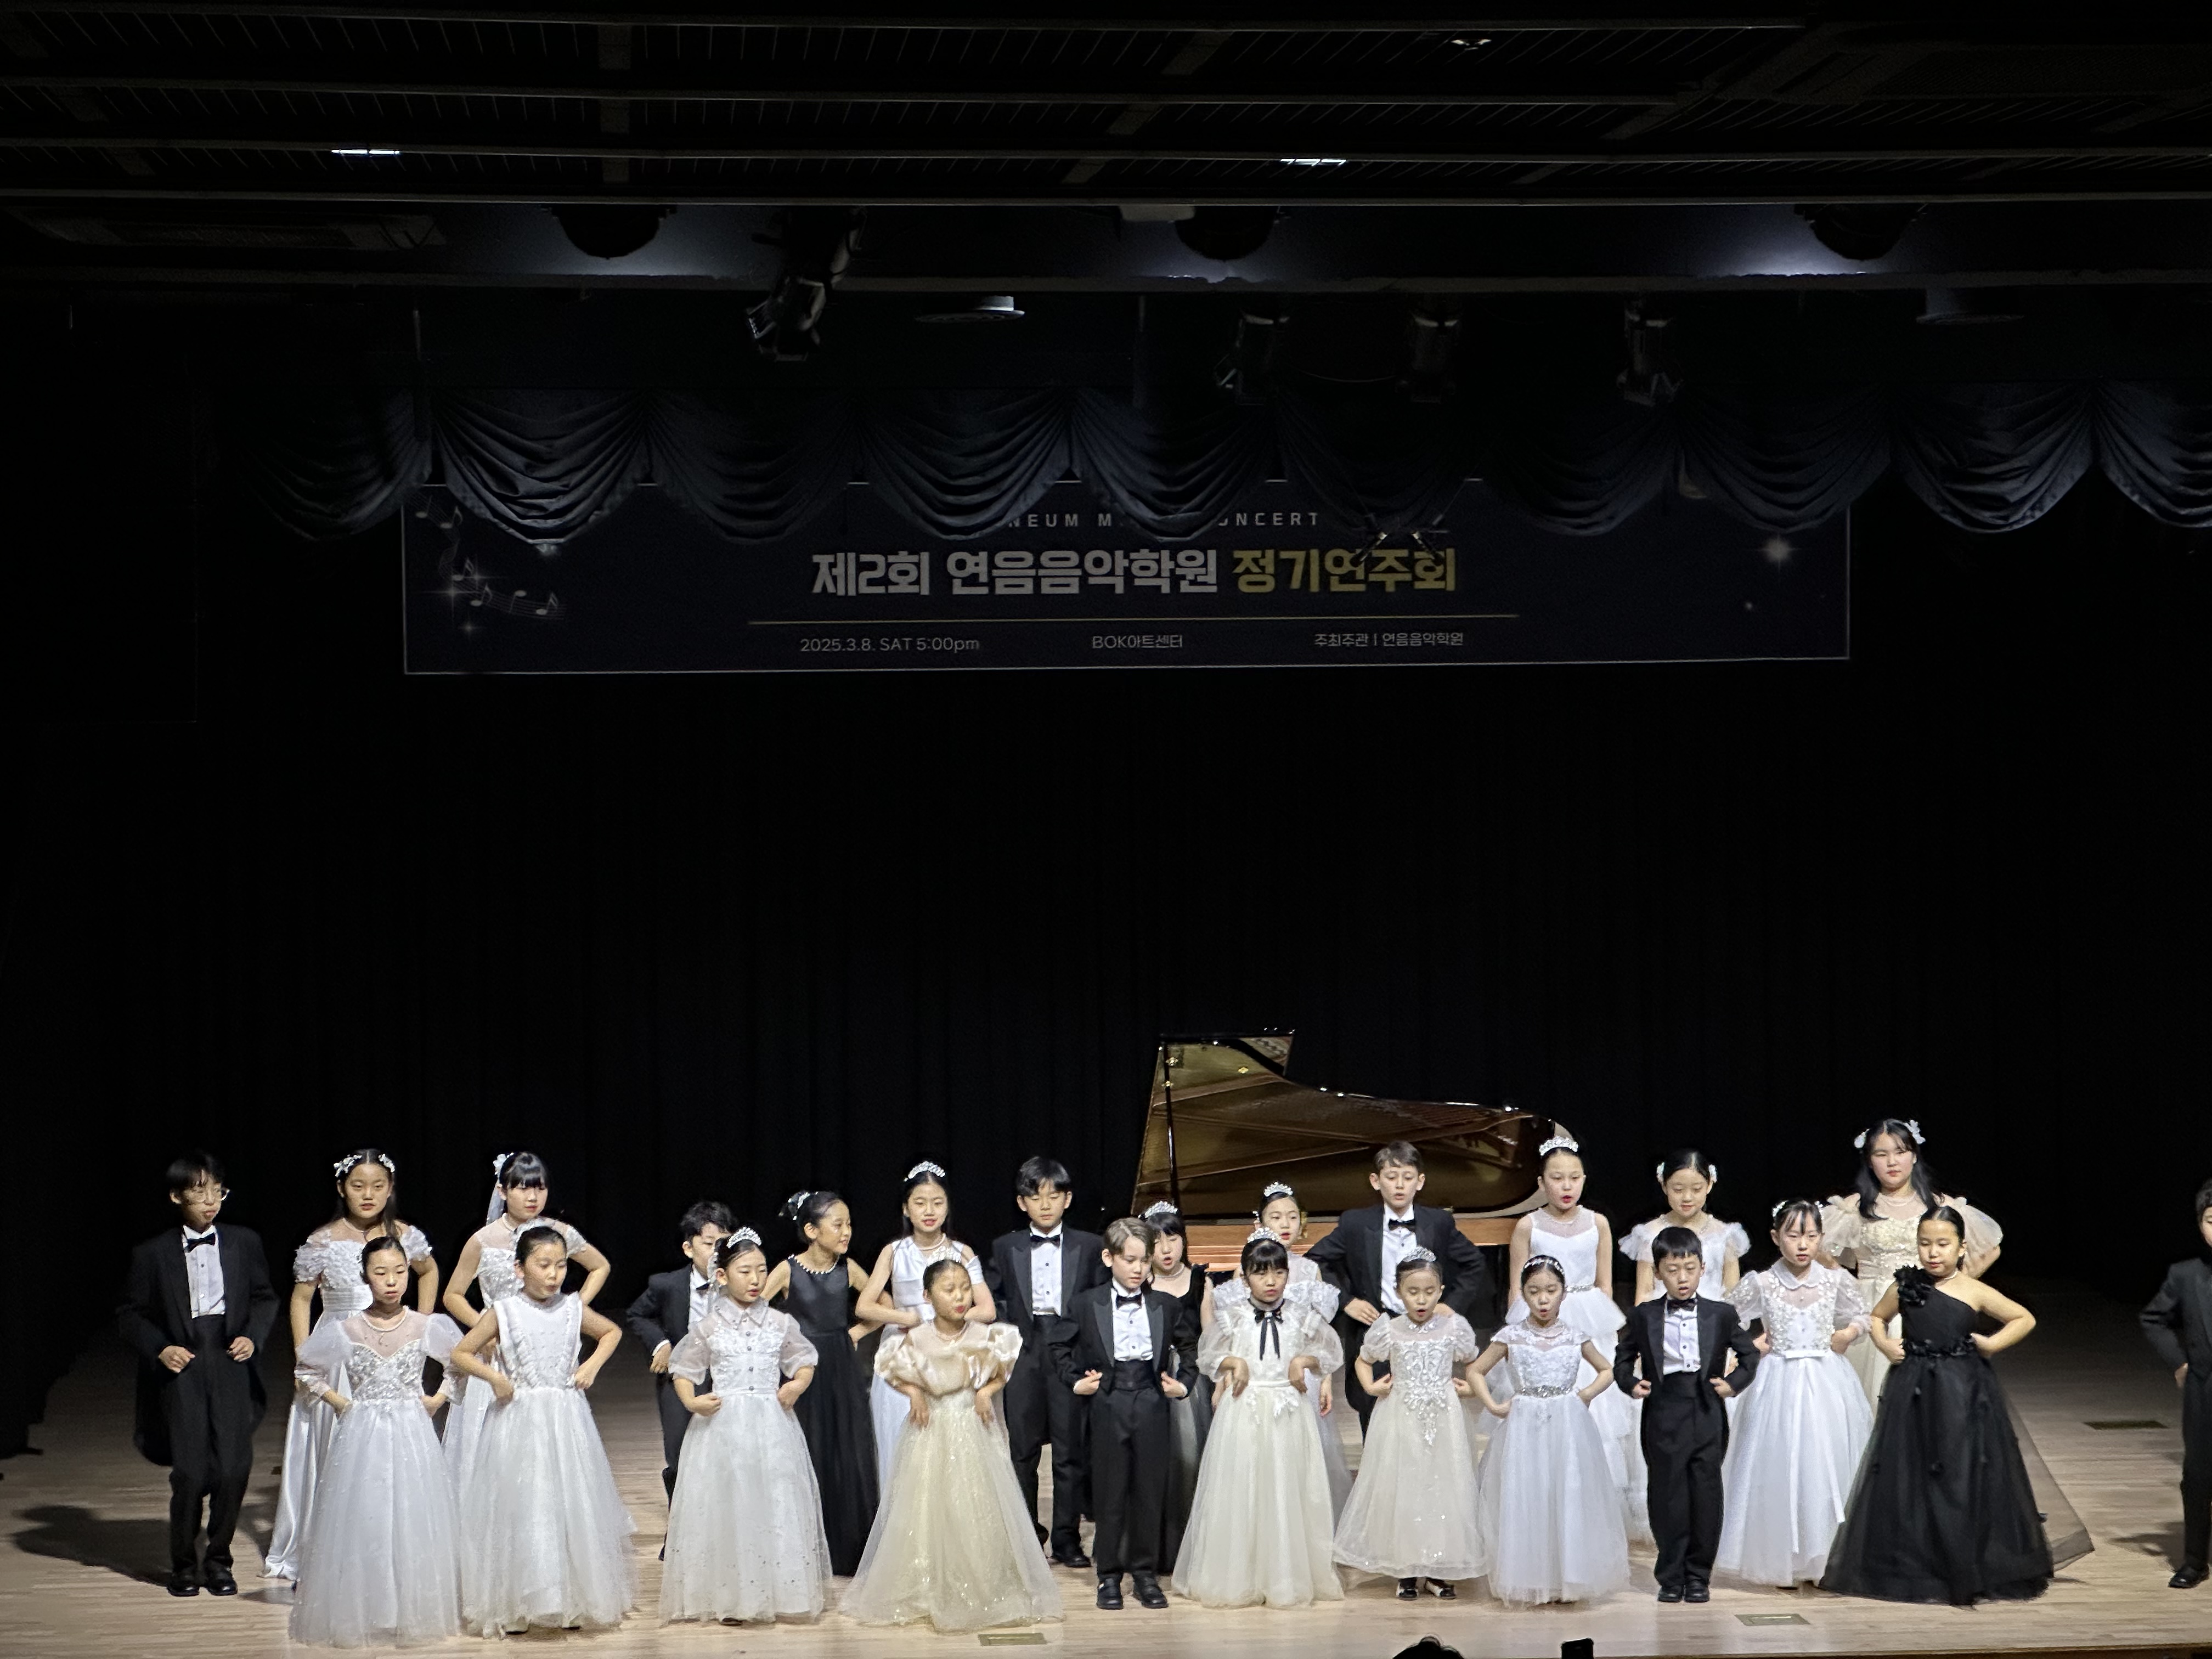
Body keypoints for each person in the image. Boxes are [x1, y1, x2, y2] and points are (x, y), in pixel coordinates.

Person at [1818, 1206, 2051, 1605]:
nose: (1933, 1252)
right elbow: (1876, 1317)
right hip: (1913, 1388)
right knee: (1912, 1468)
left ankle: (1966, 1558)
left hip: (1963, 1389)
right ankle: (1915, 1558)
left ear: (1961, 1248)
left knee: (1960, 1468)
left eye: (1943, 1244)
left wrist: (1991, 1344)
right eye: (1925, 1243)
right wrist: (1884, 1344)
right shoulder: (1906, 1285)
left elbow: (2023, 1318)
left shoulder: (1973, 1290)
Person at [843, 1258, 1064, 1632]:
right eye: (949, 1290)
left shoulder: (986, 1335)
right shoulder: (916, 1338)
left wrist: (986, 1392)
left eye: (964, 1288)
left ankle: (983, 1580)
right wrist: (914, 1392)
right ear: (928, 1296)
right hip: (931, 1429)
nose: (960, 1297)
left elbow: (1000, 1372)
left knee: (976, 1501)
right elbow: (892, 1369)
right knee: (927, 1503)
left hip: (972, 1427)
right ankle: (927, 1583)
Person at [447, 1223, 635, 1635]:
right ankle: (515, 1604)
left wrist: (590, 1366)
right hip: (518, 1419)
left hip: (565, 1418)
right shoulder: (504, 1311)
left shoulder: (572, 1308)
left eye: (561, 1266)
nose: (554, 1275)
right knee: (522, 1505)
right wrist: (494, 1378)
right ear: (520, 1269)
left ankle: (570, 1601)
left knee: (567, 1503)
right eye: (544, 1265)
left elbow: (611, 1332)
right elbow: (461, 1353)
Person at [267, 1147, 438, 1583]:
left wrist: (420, 1327)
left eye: (378, 1186)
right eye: (358, 1186)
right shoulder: (324, 1240)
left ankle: (389, 1549)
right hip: (341, 1349)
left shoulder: (406, 1235)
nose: (368, 1195)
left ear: (391, 1189)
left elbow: (429, 1271)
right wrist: (305, 1355)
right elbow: (301, 1298)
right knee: (337, 1448)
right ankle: (332, 1552)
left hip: (389, 1348)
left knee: (390, 1454)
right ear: (342, 1188)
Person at [289, 1234, 464, 1647]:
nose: (392, 1281)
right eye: (381, 1273)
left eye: (400, 1272)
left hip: (411, 1433)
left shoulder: (426, 1325)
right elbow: (307, 1370)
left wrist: (438, 1398)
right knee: (366, 1516)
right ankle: (370, 1606)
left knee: (412, 1515)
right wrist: (342, 1404)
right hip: (363, 1435)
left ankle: (411, 1606)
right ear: (365, 1277)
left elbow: (460, 1363)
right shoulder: (347, 1329)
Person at [117, 1152, 279, 1599]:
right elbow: (129, 1314)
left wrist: (253, 1337)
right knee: (189, 1473)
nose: (211, 1201)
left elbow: (265, 1297)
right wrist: (160, 1348)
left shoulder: (244, 1242)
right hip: (184, 1363)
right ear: (176, 1197)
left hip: (229, 1360)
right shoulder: (152, 1254)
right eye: (199, 1192)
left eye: (218, 1192)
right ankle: (184, 1565)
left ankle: (219, 1562)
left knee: (232, 1468)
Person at [661, 1227, 832, 1627]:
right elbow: (683, 1369)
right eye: (745, 1271)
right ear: (722, 1276)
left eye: (761, 1270)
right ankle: (731, 1595)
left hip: (771, 1424)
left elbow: (804, 1359)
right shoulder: (710, 1326)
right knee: (730, 1504)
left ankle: (779, 1590)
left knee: (775, 1499)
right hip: (724, 1426)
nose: (755, 1280)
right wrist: (691, 1401)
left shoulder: (779, 1322)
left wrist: (797, 1384)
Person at [1173, 1231, 1345, 1610]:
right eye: (1261, 1273)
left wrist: (1304, 1361)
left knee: (1287, 1489)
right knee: (1245, 1488)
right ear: (1246, 1276)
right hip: (1246, 1409)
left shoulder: (1301, 1315)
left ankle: (1285, 1575)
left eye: (1279, 1273)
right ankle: (1241, 1574)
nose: (1271, 1281)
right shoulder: (1233, 1317)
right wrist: (1232, 1362)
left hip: (1288, 1410)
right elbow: (1207, 1355)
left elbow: (1331, 1351)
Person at [1715, 1198, 1873, 1587]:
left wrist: (1848, 1333)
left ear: (1821, 1238)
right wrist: (1752, 1347)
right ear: (1776, 1237)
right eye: (1793, 1236)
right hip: (1778, 1382)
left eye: (1811, 1236)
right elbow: (1725, 1319)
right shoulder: (1763, 1282)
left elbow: (1862, 1314)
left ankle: (1826, 1557)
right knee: (1780, 1464)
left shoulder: (1834, 1280)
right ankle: (1783, 1557)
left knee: (1824, 1461)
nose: (1803, 1245)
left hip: (1826, 1382)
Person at [1503, 1131, 1645, 1540]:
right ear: (1541, 1182)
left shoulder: (1597, 1223)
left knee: (1597, 1414)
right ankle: (1543, 1509)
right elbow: (1517, 1288)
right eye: (1557, 1178)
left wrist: (1606, 1334)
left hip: (1588, 1319)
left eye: (1574, 1178)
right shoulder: (1528, 1226)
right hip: (1542, 1317)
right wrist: (1517, 1339)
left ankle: (1594, 1514)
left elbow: (1605, 1283)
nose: (1567, 1186)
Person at [1465, 1255, 1629, 1607]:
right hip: (1524, 1424)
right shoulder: (1511, 1336)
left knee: (1565, 1492)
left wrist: (1584, 1395)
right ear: (1523, 1294)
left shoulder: (1574, 1335)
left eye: (1551, 1291)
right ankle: (1530, 1578)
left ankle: (1566, 1577)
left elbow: (1607, 1370)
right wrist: (1493, 1406)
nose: (1543, 1299)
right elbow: (1475, 1371)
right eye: (1534, 1291)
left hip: (1567, 1425)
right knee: (1527, 1494)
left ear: (1563, 1293)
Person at [441, 1150, 612, 1485]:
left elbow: (600, 1266)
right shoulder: (483, 1240)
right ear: (502, 1191)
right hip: (499, 1350)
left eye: (540, 1188)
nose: (533, 1197)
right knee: (494, 1445)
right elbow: (453, 1295)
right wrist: (485, 1329)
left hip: (544, 1347)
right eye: (522, 1188)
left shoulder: (557, 1232)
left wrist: (573, 1310)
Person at [1050, 1216, 1194, 1609]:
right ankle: (1109, 1576)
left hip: (1150, 1399)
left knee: (1149, 1490)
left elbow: (1191, 1347)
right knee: (1110, 1491)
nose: (1138, 1269)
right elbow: (1058, 1346)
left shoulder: (1165, 1304)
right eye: (1130, 1260)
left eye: (1144, 1261)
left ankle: (1145, 1574)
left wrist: (1184, 1384)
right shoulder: (1087, 1303)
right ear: (1108, 1258)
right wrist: (1075, 1381)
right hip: (1108, 1401)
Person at [1613, 1224, 1761, 1604]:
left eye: (1690, 1269)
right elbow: (1623, 1357)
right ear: (1658, 1272)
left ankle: (1699, 1576)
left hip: (1706, 1408)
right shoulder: (1645, 1315)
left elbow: (1749, 1353)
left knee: (1705, 1493)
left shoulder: (1720, 1314)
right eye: (1673, 1270)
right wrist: (1631, 1383)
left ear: (1703, 1269)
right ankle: (1670, 1575)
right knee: (1667, 1494)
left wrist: (1733, 1383)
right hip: (1663, 1410)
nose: (1682, 1278)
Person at [1306, 1141, 1493, 1433]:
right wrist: (1347, 1301)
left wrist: (1450, 1305)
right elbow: (1314, 1262)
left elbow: (1475, 1263)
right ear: (1375, 1181)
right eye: (1391, 1177)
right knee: (1374, 1412)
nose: (1400, 1185)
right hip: (1378, 1328)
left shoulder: (1438, 1221)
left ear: (1420, 1181)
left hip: (1426, 1332)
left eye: (1408, 1177)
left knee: (1427, 1415)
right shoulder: (1356, 1223)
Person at [1333, 1248, 1484, 1600]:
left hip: (1443, 1418)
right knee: (1406, 1487)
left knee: (1443, 1486)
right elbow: (1363, 1360)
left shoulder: (1453, 1328)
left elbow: (1475, 1362)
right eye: (1413, 1292)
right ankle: (1407, 1568)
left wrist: (1470, 1388)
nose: (1421, 1299)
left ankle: (1438, 1567)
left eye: (1429, 1292)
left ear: (1441, 1290)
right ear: (1399, 1291)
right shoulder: (1389, 1329)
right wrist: (1371, 1387)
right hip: (1401, 1417)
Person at [1819, 1120, 2002, 1403]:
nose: (1892, 1162)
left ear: (1914, 1156)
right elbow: (1816, 1249)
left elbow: (1989, 1249)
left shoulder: (1937, 1205)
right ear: (1869, 1161)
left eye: (1900, 1152)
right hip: (1870, 1309)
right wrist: (1847, 1283)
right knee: (1865, 1396)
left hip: (1924, 1308)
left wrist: (1953, 1286)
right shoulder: (1854, 1208)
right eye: (1881, 1154)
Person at [986, 1155, 1105, 1566]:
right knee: (1023, 1449)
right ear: (1022, 1203)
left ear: (1068, 1199)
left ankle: (1067, 1540)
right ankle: (1027, 1539)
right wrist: (1011, 1331)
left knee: (1070, 1450)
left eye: (1054, 1196)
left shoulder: (1090, 1246)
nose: (1046, 1204)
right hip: (1026, 1349)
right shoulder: (1006, 1246)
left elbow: (1099, 1298)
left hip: (1071, 1349)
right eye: (1036, 1197)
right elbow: (993, 1296)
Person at [855, 1159, 996, 1493]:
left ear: (947, 1207)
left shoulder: (962, 1252)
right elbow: (865, 1305)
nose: (929, 1211)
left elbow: (987, 1309)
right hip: (903, 1352)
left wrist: (944, 1321)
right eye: (920, 1203)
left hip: (950, 1352)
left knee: (949, 1446)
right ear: (907, 1208)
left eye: (937, 1203)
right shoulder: (893, 1252)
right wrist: (905, 1318)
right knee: (900, 1439)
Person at [1220, 1178, 1353, 1515]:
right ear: (1260, 1223)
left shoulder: (1310, 1271)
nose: (1285, 1224)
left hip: (1300, 1376)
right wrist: (1226, 1378)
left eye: (1293, 1217)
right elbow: (1233, 1334)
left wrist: (1325, 1380)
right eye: (1276, 1217)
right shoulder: (1244, 1272)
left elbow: (1320, 1334)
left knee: (1302, 1454)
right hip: (1257, 1376)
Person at [764, 1188, 879, 1576]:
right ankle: (805, 1545)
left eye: (849, 1225)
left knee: (846, 1448)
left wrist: (855, 1333)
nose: (846, 1232)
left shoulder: (849, 1268)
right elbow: (756, 1312)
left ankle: (848, 1546)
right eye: (838, 1225)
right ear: (812, 1231)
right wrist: (783, 1344)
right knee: (809, 1445)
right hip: (802, 1368)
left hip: (841, 1366)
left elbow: (881, 1306)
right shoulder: (787, 1270)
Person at [623, 1198, 733, 1504]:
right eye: (709, 1244)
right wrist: (661, 1344)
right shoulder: (667, 1284)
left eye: (724, 1244)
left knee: (727, 1449)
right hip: (682, 1376)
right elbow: (637, 1314)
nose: (717, 1252)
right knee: (679, 1448)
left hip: (728, 1375)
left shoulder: (740, 1282)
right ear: (688, 1248)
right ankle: (680, 1519)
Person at [2141, 1176, 2212, 1589]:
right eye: (2211, 1220)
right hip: (2205, 1390)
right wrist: (2180, 1362)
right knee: (2198, 1476)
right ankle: (2194, 1560)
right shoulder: (2187, 1274)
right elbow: (2153, 1318)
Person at [1141, 1200, 1214, 1572]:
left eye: (1173, 1239)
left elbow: (1210, 1336)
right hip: (1149, 1375)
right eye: (1156, 1242)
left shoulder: (1201, 1281)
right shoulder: (1140, 1282)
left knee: (1190, 1460)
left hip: (1191, 1377)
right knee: (1152, 1461)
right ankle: (1151, 1546)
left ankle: (1191, 1547)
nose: (1166, 1250)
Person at [1623, 1148, 1749, 1305]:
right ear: (1664, 1186)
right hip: (1663, 1316)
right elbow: (1644, 1294)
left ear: (1709, 1185)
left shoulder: (1725, 1235)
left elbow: (1732, 1294)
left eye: (1697, 1189)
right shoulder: (1649, 1234)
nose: (1687, 1198)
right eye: (1678, 1190)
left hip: (1712, 1317)